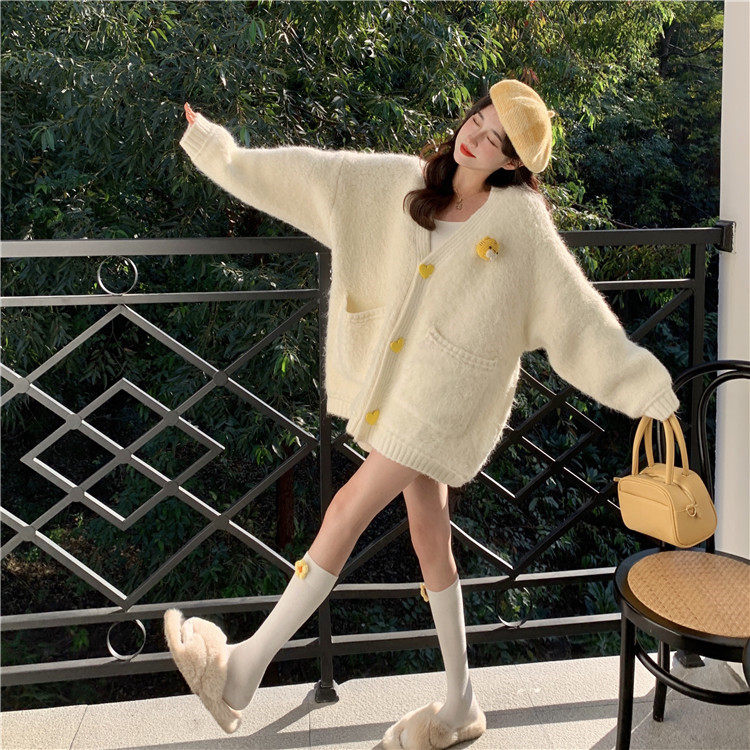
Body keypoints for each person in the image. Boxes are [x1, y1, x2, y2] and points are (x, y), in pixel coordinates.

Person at [165, 80, 678, 748]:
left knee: (346, 510)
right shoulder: (404, 182)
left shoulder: (520, 222)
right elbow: (311, 178)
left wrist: (645, 388)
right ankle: (462, 704)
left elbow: (574, 314)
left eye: (495, 140)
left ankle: (242, 671)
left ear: (512, 162)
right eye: (478, 121)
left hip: (446, 401)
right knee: (431, 537)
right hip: (403, 389)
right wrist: (218, 150)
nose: (476, 138)